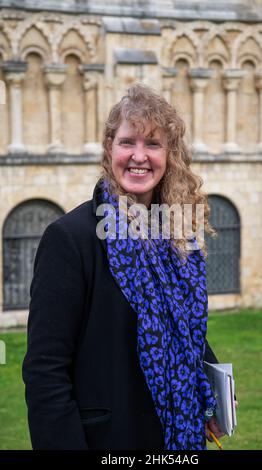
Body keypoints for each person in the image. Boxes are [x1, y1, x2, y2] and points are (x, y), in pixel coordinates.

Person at [22, 83, 228, 450]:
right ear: (109, 149)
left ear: (170, 155)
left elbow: (179, 322)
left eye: (153, 144)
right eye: (128, 142)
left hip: (176, 438)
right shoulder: (71, 239)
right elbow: (45, 372)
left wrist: (208, 388)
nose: (139, 156)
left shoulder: (176, 235)